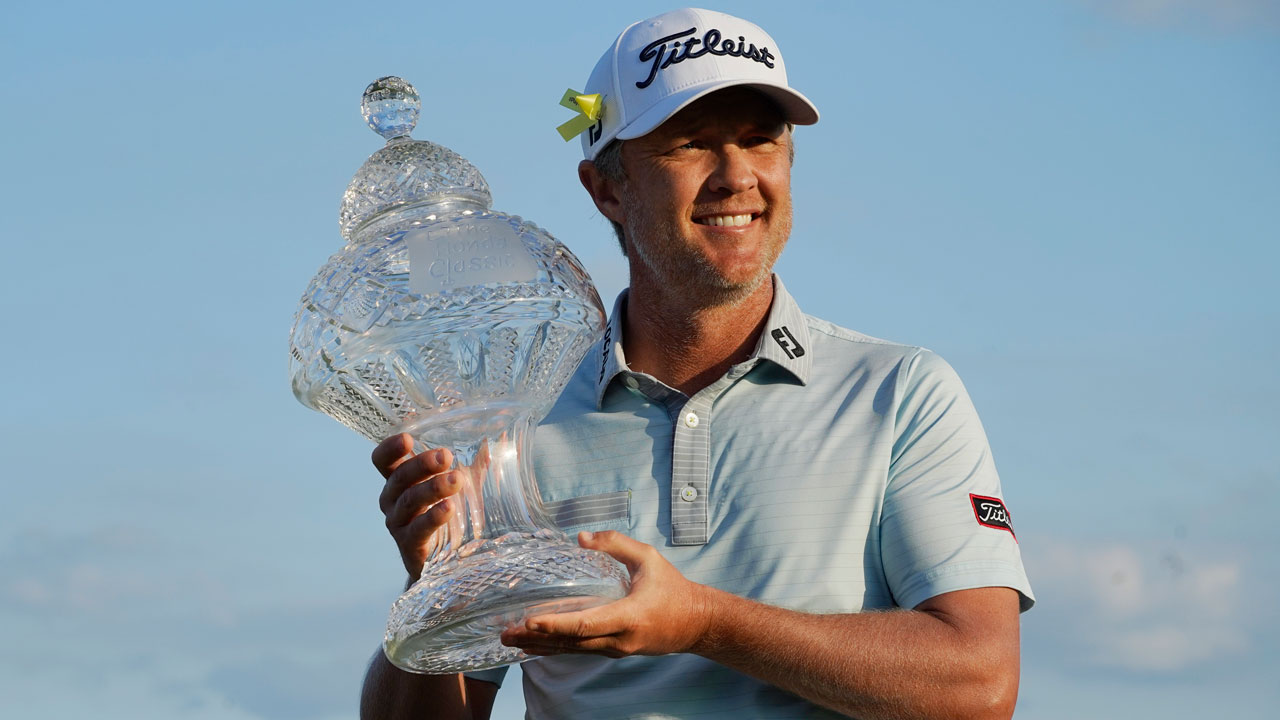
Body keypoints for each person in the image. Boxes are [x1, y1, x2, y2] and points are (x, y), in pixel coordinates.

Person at [361, 8, 1033, 719]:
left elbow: (979, 685)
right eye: (691, 145)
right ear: (607, 189)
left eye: (759, 140)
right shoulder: (514, 423)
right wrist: (438, 591)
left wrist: (705, 623)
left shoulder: (901, 394)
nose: (736, 176)